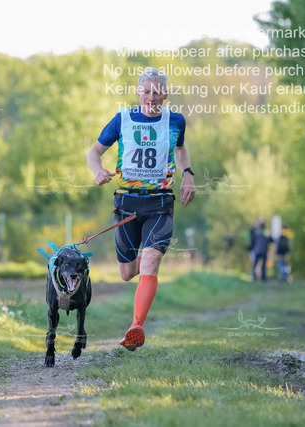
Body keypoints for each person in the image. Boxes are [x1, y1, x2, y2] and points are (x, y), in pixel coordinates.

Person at [87, 67, 195, 351]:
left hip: (160, 204)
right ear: (138, 92)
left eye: (156, 92)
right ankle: (143, 263)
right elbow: (94, 152)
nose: (151, 97)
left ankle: (136, 326)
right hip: (126, 203)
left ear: (165, 95)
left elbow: (181, 149)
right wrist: (98, 171)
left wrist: (188, 174)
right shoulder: (122, 119)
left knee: (150, 261)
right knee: (126, 273)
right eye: (146, 91)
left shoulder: (175, 121)